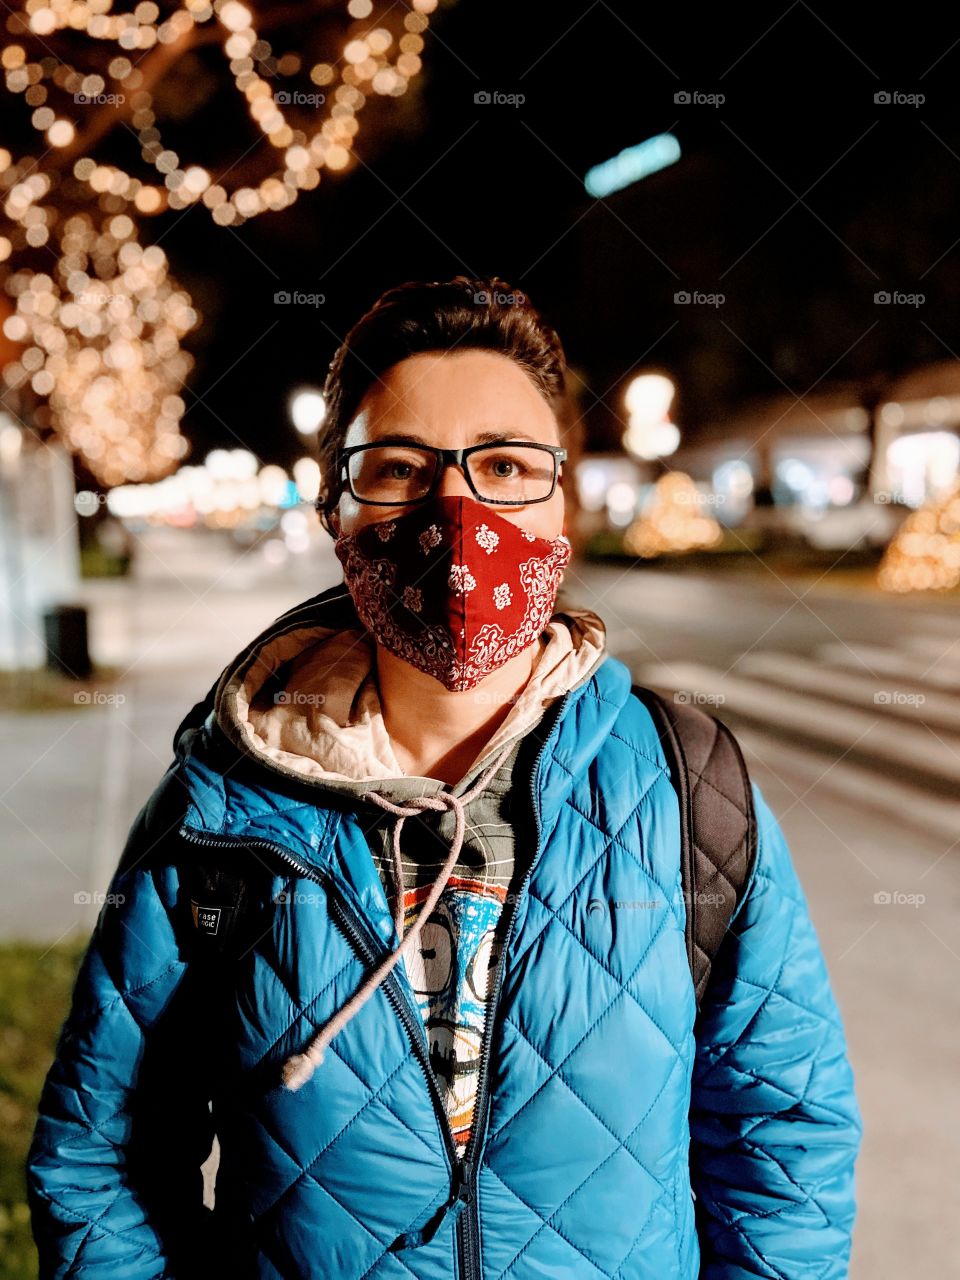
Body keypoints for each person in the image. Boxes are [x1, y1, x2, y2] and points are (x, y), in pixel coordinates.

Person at [26, 275, 863, 1279]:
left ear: (567, 502)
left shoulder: (689, 794)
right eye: (398, 468)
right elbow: (99, 1159)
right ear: (336, 502)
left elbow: (787, 1138)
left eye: (506, 465)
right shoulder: (219, 813)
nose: (456, 510)